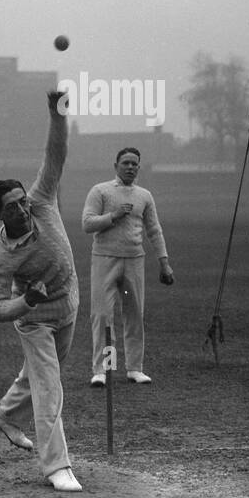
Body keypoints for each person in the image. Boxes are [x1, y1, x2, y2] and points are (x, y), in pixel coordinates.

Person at [0, 90, 83, 492]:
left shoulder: (42, 200)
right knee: (48, 386)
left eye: (23, 202)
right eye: (12, 207)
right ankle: (57, 466)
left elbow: (55, 155)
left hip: (69, 304)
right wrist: (27, 301)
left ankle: (5, 416)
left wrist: (56, 112)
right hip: (34, 320)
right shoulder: (1, 256)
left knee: (43, 376)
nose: (22, 210)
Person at [82, 147, 174, 386]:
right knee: (102, 314)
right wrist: (112, 216)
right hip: (104, 258)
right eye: (126, 163)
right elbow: (87, 223)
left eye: (135, 164)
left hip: (134, 260)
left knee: (134, 314)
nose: (130, 167)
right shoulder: (100, 191)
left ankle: (135, 368)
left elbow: (154, 230)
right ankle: (100, 371)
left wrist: (164, 263)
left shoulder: (144, 195)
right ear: (116, 166)